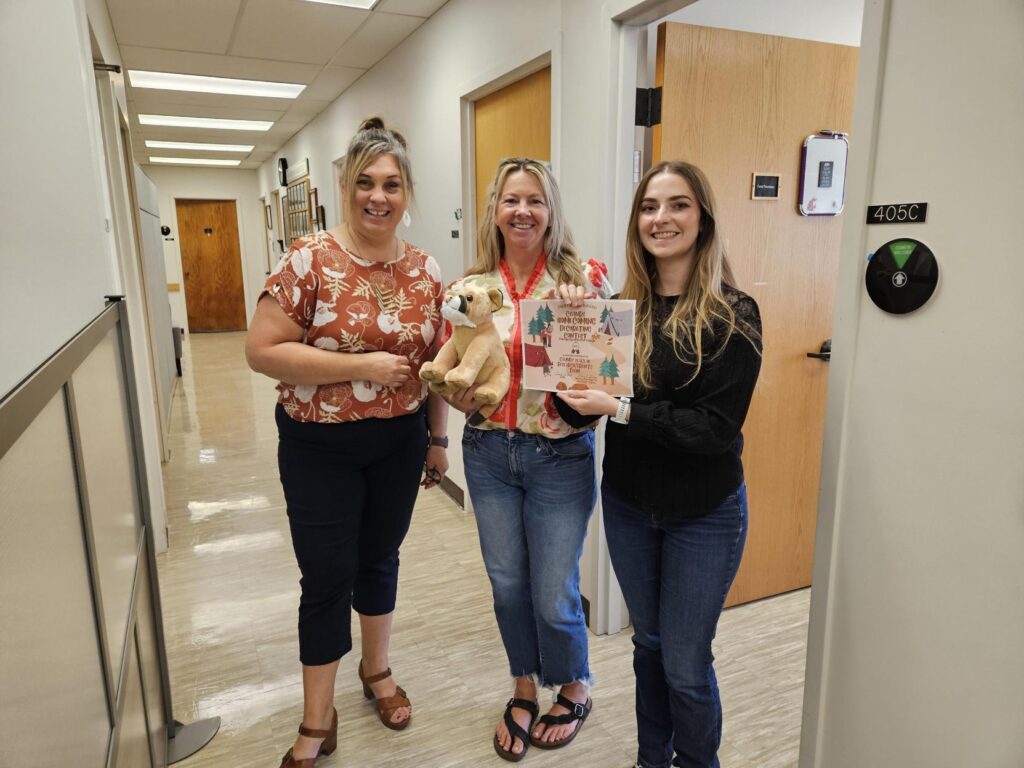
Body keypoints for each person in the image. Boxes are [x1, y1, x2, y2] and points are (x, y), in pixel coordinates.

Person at [245, 117, 447, 768]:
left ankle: (376, 670)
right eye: (365, 182)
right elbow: (262, 350)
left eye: (391, 184)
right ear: (345, 186)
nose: (378, 197)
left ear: (407, 192)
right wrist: (361, 367)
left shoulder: (426, 270)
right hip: (318, 443)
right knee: (327, 574)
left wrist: (438, 438)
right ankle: (317, 717)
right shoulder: (309, 259)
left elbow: (436, 363)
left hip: (399, 441)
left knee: (380, 557)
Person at [558, 160, 762, 768]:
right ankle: (652, 759)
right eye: (649, 207)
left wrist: (621, 409)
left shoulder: (734, 314)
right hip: (629, 507)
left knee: (685, 664)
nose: (661, 218)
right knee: (647, 646)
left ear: (703, 220)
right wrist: (573, 326)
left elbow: (713, 431)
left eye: (678, 205)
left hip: (704, 514)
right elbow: (574, 413)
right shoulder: (621, 313)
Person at [442, 158, 610, 762]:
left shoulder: (582, 278)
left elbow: (605, 363)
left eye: (535, 200)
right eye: (511, 200)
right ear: (495, 210)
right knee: (508, 582)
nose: (522, 211)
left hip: (558, 455)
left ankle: (573, 683)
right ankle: (523, 685)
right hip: (488, 451)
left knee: (552, 586)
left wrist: (581, 306)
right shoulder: (470, 287)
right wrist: (455, 396)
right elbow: (454, 359)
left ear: (550, 211)